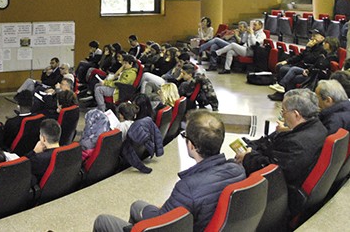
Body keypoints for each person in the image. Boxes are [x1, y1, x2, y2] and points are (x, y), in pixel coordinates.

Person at [94, 110, 245, 232]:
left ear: (192, 146)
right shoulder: (237, 169)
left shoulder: (187, 188)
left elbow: (163, 222)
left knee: (103, 221)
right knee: (136, 205)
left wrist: (162, 209)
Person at [235, 89, 327, 215]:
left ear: (296, 114)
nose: (282, 116)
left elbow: (272, 171)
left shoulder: (296, 143)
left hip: (282, 197)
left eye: (283, 111)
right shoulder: (318, 127)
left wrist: (247, 157)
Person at [268, 34, 336, 101]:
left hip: (313, 75)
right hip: (307, 69)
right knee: (282, 68)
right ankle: (281, 92)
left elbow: (310, 60)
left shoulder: (326, 53)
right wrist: (287, 61)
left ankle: (285, 92)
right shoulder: (319, 50)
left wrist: (308, 48)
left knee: (291, 73)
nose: (312, 38)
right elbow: (302, 56)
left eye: (315, 36)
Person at [26, 119, 61, 183]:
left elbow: (23, 166)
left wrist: (34, 152)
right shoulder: (70, 152)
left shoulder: (38, 159)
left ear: (43, 138)